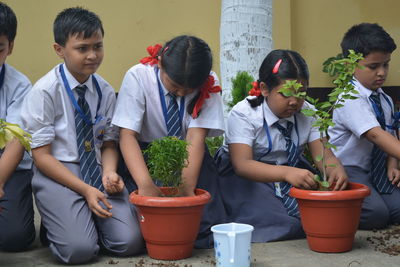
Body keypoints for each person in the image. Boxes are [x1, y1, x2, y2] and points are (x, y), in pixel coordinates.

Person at [21, 7, 143, 264]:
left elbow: (109, 141)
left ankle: (75, 221)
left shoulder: (105, 91)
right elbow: (41, 158)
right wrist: (86, 190)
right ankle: (62, 225)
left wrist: (109, 171)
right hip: (58, 171)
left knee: (129, 242)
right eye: (82, 48)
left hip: (96, 168)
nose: (92, 55)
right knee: (79, 251)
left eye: (98, 46)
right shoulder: (44, 92)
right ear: (59, 49)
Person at [215, 49, 348, 242]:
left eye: (301, 93)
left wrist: (336, 169)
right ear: (264, 88)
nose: (294, 102)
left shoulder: (308, 113)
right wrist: (286, 173)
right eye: (286, 94)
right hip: (248, 178)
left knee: (325, 214)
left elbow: (325, 157)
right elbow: (242, 165)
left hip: (291, 171)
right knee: (287, 223)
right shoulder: (244, 114)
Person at [112, 35, 226, 248]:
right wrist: (145, 185)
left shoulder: (209, 80)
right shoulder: (138, 77)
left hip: (190, 157)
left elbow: (195, 137)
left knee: (203, 228)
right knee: (144, 230)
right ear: (161, 64)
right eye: (175, 86)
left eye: (190, 89)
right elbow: (127, 136)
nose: (182, 93)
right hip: (145, 155)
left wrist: (185, 190)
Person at [328, 23, 400, 229]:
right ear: (350, 65)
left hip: (375, 171)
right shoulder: (349, 98)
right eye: (373, 66)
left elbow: (390, 132)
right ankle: (334, 206)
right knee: (376, 216)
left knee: (396, 211)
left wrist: (393, 164)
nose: (381, 73)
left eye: (386, 64)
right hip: (349, 170)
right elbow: (376, 135)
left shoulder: (383, 98)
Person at [0, 1, 35, 252]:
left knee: (15, 238)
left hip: (9, 168)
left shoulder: (20, 86)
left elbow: (15, 141)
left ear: (10, 47)